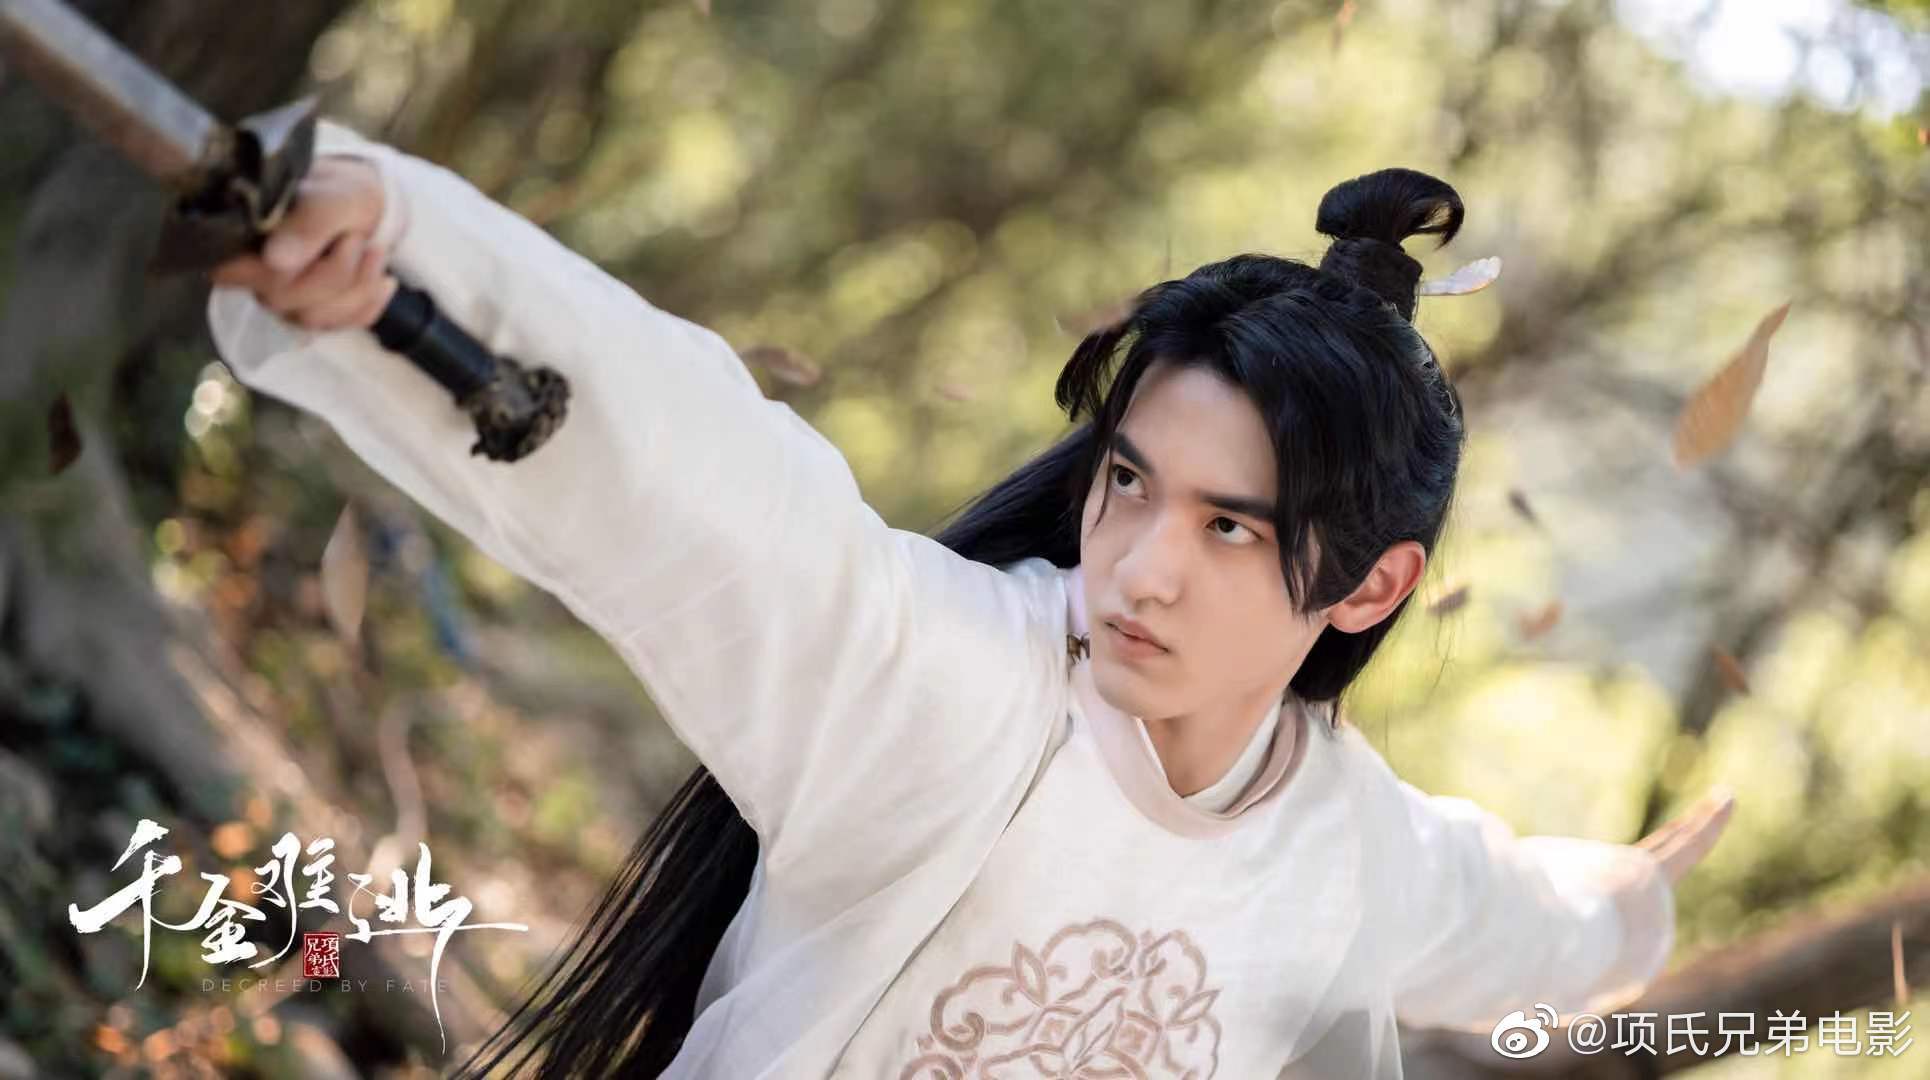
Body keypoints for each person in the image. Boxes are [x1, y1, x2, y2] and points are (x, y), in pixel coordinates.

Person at [207, 119, 1734, 1079]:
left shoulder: (1354, 851)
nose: (1140, 564)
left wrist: (1632, 903)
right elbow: (705, 478)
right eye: (1127, 481)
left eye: (1227, 527)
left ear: (1371, 586)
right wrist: (401, 256)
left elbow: (1522, 917)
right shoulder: (953, 691)